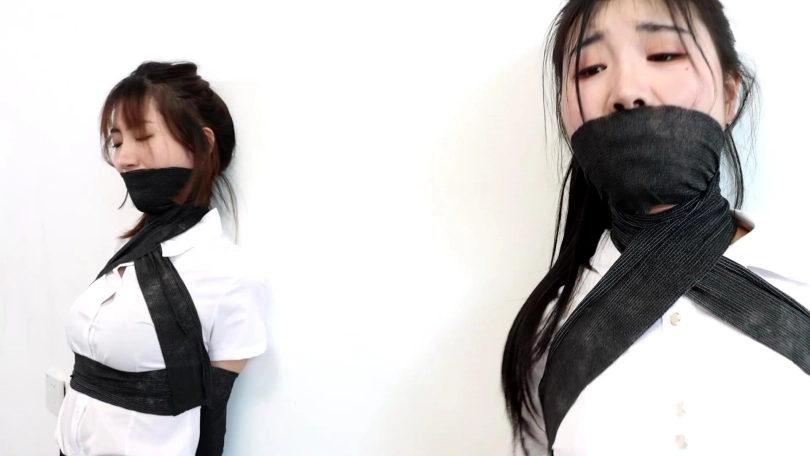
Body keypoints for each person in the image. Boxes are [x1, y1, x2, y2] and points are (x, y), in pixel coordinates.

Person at [501, 0, 810, 455]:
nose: (626, 91)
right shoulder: (545, 336)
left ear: (730, 94)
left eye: (664, 54)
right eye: (590, 69)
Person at [55, 61, 269, 456]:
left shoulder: (230, 275)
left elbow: (211, 419)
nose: (123, 159)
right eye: (117, 142)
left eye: (143, 136)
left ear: (202, 145)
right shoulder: (127, 257)